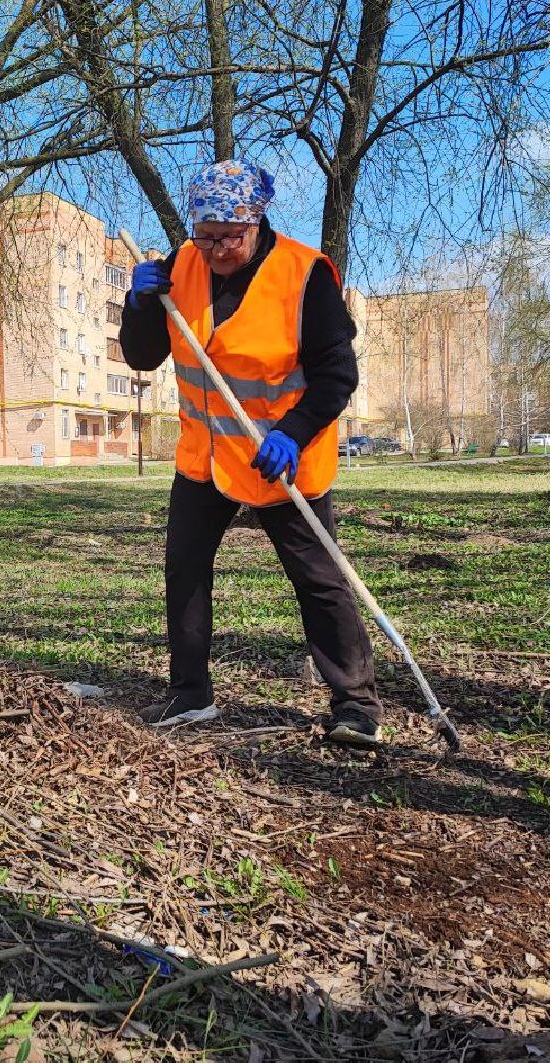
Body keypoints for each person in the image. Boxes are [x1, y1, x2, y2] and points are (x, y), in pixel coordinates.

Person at [119, 159, 381, 746]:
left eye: (226, 238)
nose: (213, 250)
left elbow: (337, 374)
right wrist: (138, 307)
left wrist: (293, 430)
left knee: (319, 579)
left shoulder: (303, 275)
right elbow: (141, 358)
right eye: (203, 236)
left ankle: (355, 704)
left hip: (283, 456)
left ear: (255, 221)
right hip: (206, 456)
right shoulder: (181, 266)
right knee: (185, 571)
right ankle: (189, 693)